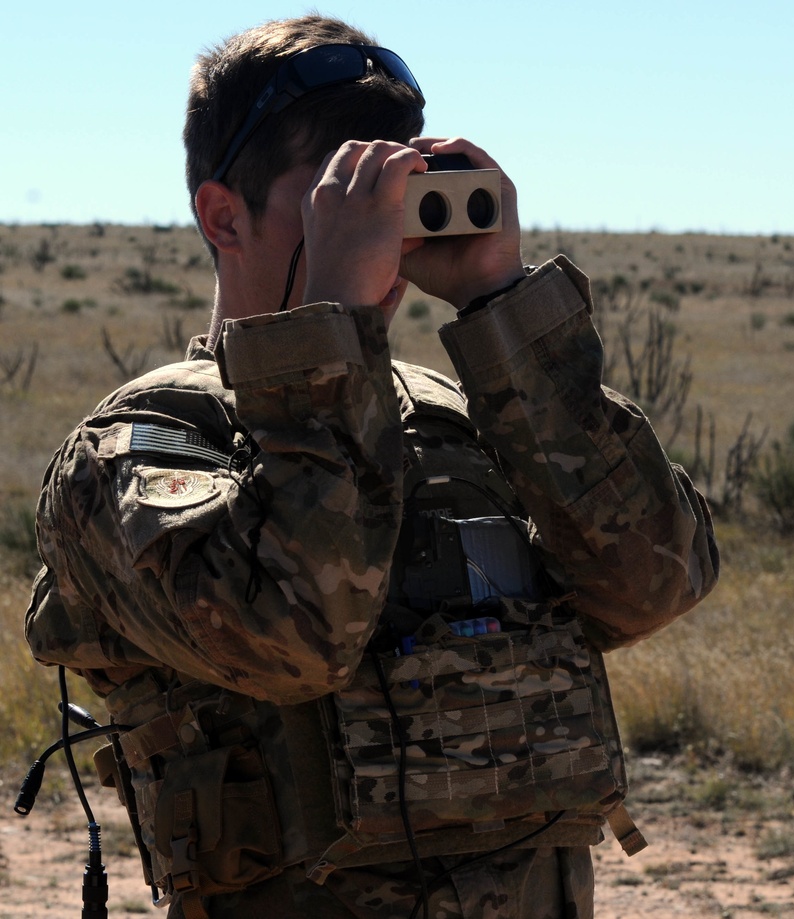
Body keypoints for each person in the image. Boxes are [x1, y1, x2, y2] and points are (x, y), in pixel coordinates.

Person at [24, 14, 719, 919]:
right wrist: (327, 339)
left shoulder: (469, 416)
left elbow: (654, 583)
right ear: (222, 215)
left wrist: (503, 309)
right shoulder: (134, 452)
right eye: (338, 202)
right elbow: (294, 636)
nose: (379, 232)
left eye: (395, 194)